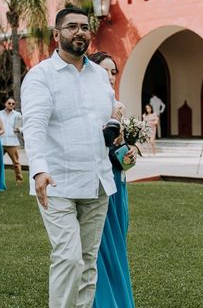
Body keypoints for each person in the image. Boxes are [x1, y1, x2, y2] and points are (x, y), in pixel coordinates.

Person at [21, 6, 117, 308]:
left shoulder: (100, 76)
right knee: (68, 257)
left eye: (85, 27)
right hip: (57, 182)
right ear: (56, 34)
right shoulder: (40, 77)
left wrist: (120, 131)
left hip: (98, 181)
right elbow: (33, 126)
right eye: (72, 26)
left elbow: (110, 116)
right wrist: (38, 169)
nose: (80, 32)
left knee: (88, 262)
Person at [88, 51, 136, 308]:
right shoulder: (88, 107)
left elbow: (123, 156)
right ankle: (102, 301)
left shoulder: (117, 105)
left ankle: (119, 297)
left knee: (117, 245)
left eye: (113, 72)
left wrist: (128, 152)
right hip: (96, 183)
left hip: (119, 182)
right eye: (104, 71)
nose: (110, 77)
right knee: (99, 245)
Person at [0, 97, 24, 183]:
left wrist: (19, 129)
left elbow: (24, 127)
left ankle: (19, 179)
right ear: (5, 104)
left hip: (12, 142)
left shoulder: (18, 115)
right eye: (9, 103)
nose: (11, 105)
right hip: (0, 141)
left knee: (16, 163)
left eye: (13, 104)